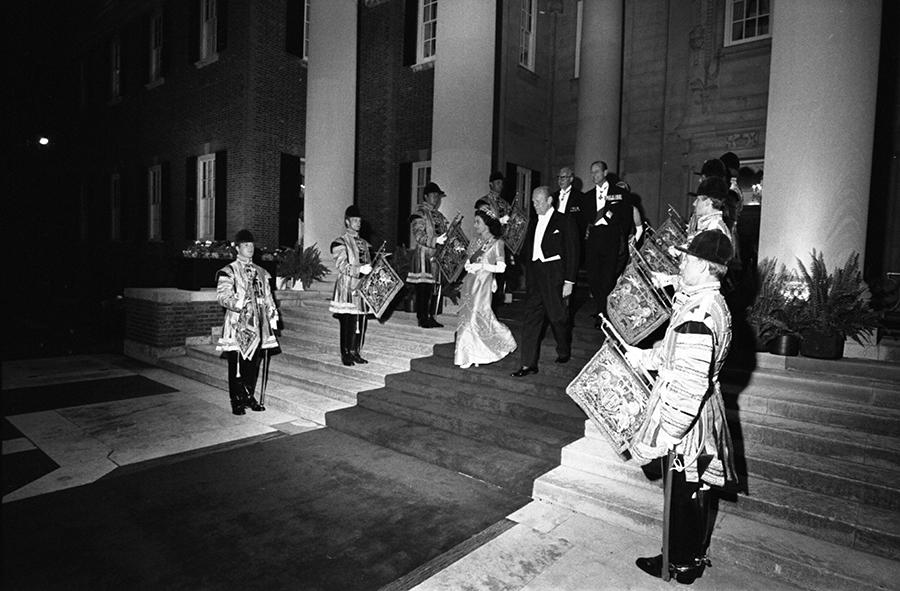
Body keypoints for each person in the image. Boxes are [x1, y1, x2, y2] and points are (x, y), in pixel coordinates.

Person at [623, 230, 737, 585]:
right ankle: (688, 557)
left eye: (687, 259)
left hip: (689, 419)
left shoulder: (699, 314)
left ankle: (679, 562)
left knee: (685, 492)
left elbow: (688, 386)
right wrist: (645, 357)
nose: (681, 264)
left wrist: (665, 435)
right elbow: (678, 354)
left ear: (704, 266)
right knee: (694, 491)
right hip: (703, 411)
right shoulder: (707, 302)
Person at [511, 186, 580, 377]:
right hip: (535, 276)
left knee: (558, 318)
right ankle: (528, 364)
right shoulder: (532, 223)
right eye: (533, 202)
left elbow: (573, 252)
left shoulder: (564, 220)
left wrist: (569, 281)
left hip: (555, 276)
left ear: (550, 201)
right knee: (531, 319)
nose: (534, 205)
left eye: (538, 201)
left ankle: (564, 349)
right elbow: (528, 250)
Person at [215, 229, 279, 415]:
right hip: (238, 324)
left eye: (251, 245)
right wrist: (240, 302)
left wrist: (272, 312)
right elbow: (222, 297)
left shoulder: (261, 272)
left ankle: (248, 396)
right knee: (236, 365)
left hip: (258, 325)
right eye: (245, 245)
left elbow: (268, 296)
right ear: (237, 248)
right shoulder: (229, 271)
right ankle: (236, 400)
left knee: (252, 364)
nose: (250, 248)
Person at [454, 208, 517, 369]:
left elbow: (501, 267)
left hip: (483, 283)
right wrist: (469, 265)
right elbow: (468, 260)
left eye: (478, 222)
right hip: (469, 283)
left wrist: (483, 265)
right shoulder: (475, 241)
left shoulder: (497, 243)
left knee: (478, 316)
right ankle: (471, 353)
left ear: (487, 224)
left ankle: (499, 342)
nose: (475, 225)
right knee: (466, 317)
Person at [581, 160, 637, 328]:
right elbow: (585, 219)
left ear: (605, 173)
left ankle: (604, 314)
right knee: (593, 277)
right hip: (594, 238)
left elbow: (626, 217)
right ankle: (601, 308)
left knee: (607, 277)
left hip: (611, 237)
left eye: (597, 172)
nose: (594, 175)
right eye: (592, 172)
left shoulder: (619, 193)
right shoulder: (588, 196)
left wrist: (621, 234)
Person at [329, 205, 373, 366]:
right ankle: (345, 353)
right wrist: (359, 269)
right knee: (347, 321)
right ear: (347, 222)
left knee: (360, 321)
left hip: (361, 286)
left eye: (359, 220)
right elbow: (342, 266)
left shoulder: (365, 244)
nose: (358, 223)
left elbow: (367, 263)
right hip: (347, 287)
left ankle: (355, 351)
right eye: (354, 220)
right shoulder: (339, 243)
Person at [408, 181, 451, 328]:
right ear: (426, 196)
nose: (436, 198)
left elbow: (446, 232)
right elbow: (419, 235)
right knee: (423, 288)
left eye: (437, 195)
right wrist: (435, 240)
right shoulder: (419, 213)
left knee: (433, 288)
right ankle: (422, 317)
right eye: (433, 195)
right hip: (423, 255)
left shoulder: (439, 216)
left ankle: (430, 316)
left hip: (435, 256)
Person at [475, 171, 513, 309]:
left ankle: (495, 311)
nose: (500, 186)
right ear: (491, 184)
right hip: (488, 245)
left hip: (502, 244)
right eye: (498, 183)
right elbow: (486, 220)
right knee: (487, 279)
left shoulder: (505, 204)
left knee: (500, 278)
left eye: (501, 183)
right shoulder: (483, 202)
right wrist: (500, 221)